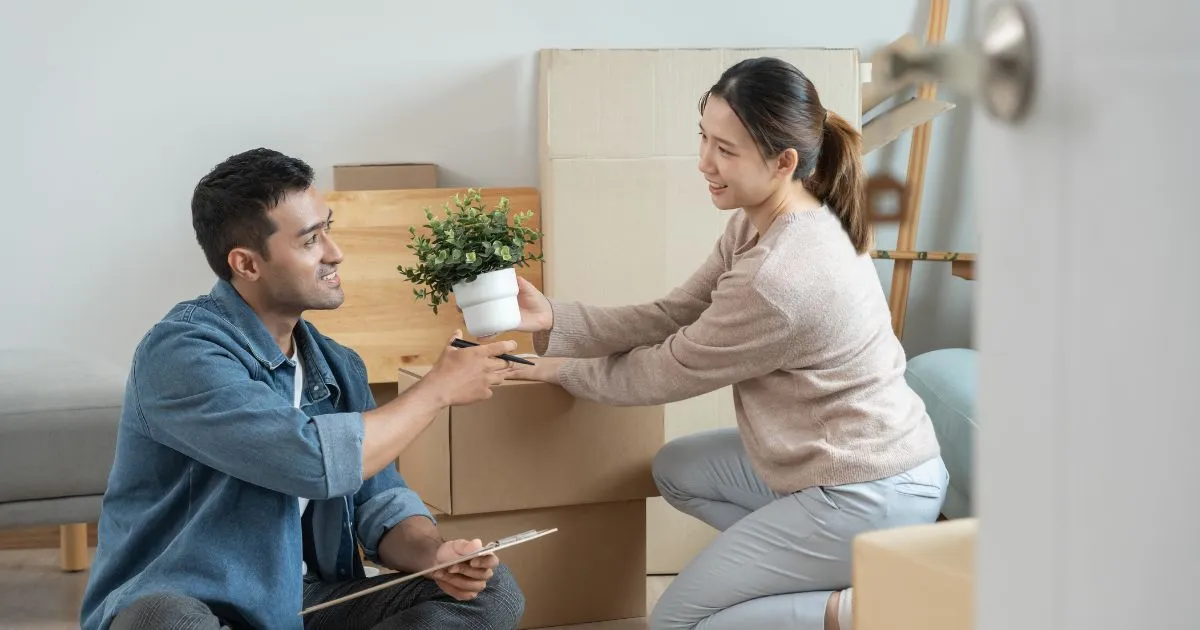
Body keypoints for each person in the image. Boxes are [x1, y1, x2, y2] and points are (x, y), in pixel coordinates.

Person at [506, 57, 949, 630]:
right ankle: (807, 571)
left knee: (679, 623)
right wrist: (555, 321)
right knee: (677, 470)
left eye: (726, 150)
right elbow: (677, 313)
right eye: (704, 139)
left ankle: (872, 607)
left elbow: (663, 373)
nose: (704, 164)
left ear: (783, 161)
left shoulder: (781, 278)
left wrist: (560, 371)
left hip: (867, 491)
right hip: (843, 462)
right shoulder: (765, 219)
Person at [80, 148, 526, 630]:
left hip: (304, 605)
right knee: (159, 620)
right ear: (247, 264)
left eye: (327, 230)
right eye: (311, 240)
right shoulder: (180, 352)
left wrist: (438, 556)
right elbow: (312, 461)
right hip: (197, 605)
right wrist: (437, 389)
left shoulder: (337, 365)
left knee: (491, 593)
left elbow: (379, 501)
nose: (335, 253)